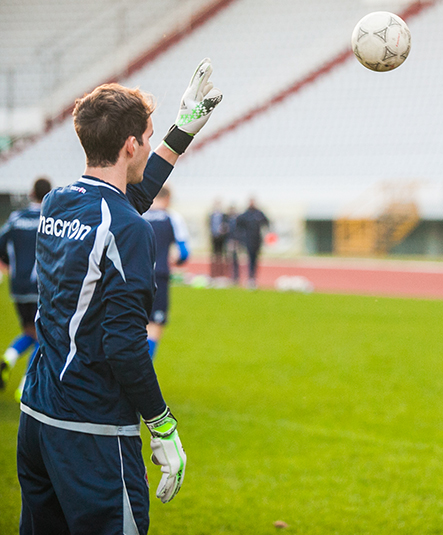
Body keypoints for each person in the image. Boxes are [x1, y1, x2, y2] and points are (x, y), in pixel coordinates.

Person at [17, 59, 221, 534]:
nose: (150, 147)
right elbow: (125, 345)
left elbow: (128, 199)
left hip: (39, 415)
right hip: (94, 429)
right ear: (131, 145)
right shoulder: (127, 227)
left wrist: (180, 132)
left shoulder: (58, 201)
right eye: (148, 139)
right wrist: (162, 425)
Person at [0, 176, 51, 401]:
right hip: (41, 286)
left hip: (18, 286)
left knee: (29, 331)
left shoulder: (16, 218)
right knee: (43, 337)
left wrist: (10, 264)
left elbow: (1, 245)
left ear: (32, 193)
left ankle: (7, 360)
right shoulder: (50, 218)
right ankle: (25, 385)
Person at [143, 186, 190, 359]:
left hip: (135, 275)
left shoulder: (138, 214)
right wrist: (175, 260)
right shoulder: (172, 218)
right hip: (159, 276)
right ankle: (144, 372)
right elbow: (184, 253)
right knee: (155, 324)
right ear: (168, 198)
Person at [235, 197, 269, 288]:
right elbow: (238, 225)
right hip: (248, 240)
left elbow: (266, 223)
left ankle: (254, 277)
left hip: (257, 240)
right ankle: (250, 277)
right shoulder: (245, 215)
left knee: (256, 259)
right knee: (249, 258)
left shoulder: (259, 214)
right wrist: (239, 239)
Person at [208, 198, 229, 281]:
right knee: (214, 256)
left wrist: (223, 231)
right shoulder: (211, 215)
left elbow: (226, 226)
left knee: (221, 256)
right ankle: (213, 274)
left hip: (221, 238)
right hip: (214, 237)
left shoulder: (224, 216)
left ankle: (221, 274)